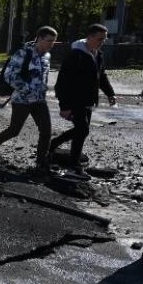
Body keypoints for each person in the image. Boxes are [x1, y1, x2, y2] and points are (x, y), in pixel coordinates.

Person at [0, 26, 58, 173]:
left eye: (54, 41)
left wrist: (42, 90)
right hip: (22, 100)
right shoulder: (24, 53)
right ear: (39, 38)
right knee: (14, 130)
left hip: (39, 100)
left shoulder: (47, 56)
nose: (51, 44)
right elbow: (9, 76)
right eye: (49, 41)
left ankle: (41, 163)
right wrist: (27, 90)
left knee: (46, 131)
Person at [49, 23, 117, 179]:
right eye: (100, 39)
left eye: (104, 39)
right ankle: (73, 166)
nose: (102, 42)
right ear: (90, 37)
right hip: (74, 100)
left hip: (89, 100)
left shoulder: (98, 54)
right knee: (83, 130)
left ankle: (54, 146)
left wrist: (110, 94)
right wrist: (64, 106)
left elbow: (102, 76)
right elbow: (62, 82)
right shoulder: (75, 55)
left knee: (81, 131)